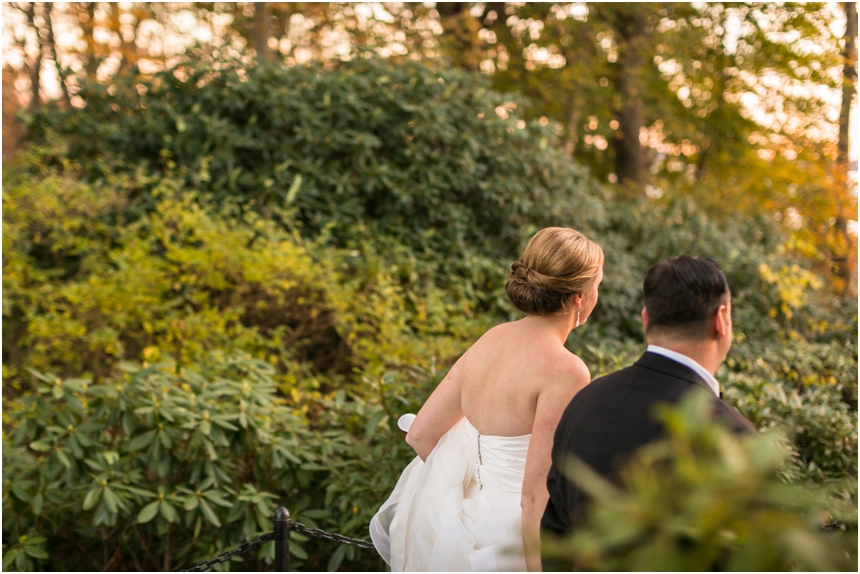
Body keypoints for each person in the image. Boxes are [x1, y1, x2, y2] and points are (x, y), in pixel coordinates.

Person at [369, 227, 604, 571]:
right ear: (579, 297)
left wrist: (459, 496)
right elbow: (535, 495)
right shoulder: (567, 371)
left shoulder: (492, 338)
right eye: (598, 284)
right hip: (514, 543)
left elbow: (420, 434)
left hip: (456, 533)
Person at [541, 256, 755, 544]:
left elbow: (555, 532)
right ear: (721, 320)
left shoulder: (584, 402)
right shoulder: (731, 436)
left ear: (646, 318)